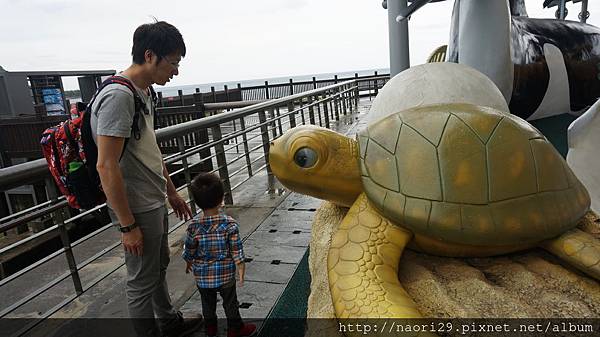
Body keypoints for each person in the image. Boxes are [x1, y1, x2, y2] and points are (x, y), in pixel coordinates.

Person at [93, 20, 201, 337]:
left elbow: (148, 149)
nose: (176, 71)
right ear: (151, 55)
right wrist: (128, 226)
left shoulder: (143, 91)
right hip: (135, 206)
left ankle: (168, 321)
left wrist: (171, 192)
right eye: (174, 62)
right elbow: (106, 165)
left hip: (152, 199)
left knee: (158, 267)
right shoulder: (118, 96)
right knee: (141, 280)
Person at [183, 172, 257, 337]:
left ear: (196, 201)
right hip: (225, 274)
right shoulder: (229, 224)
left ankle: (210, 330)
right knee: (230, 303)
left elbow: (189, 248)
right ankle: (235, 329)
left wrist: (188, 261)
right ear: (221, 198)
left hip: (202, 276)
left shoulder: (193, 226)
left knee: (207, 305)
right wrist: (241, 269)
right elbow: (236, 250)